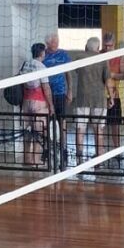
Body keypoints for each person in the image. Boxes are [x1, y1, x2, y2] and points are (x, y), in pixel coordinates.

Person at [74, 36, 110, 165]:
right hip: (99, 99)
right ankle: (99, 153)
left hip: (82, 97)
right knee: (98, 128)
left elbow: (77, 72)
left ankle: (79, 155)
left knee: (80, 127)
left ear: (86, 46)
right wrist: (111, 96)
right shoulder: (102, 59)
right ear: (98, 47)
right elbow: (107, 80)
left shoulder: (79, 57)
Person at [19, 42, 54, 167]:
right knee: (38, 132)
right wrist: (51, 105)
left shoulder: (25, 65)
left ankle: (26, 159)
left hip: (26, 102)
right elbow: (46, 88)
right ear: (42, 53)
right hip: (39, 103)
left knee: (27, 132)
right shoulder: (41, 67)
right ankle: (36, 159)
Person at [43, 32, 73, 166]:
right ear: (48, 44)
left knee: (62, 121)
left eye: (57, 42)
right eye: (54, 42)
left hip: (60, 93)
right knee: (47, 122)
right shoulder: (43, 55)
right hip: (46, 94)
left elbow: (69, 74)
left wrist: (70, 90)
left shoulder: (64, 55)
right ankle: (47, 149)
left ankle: (64, 148)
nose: (56, 44)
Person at [102, 31, 124, 158]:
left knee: (115, 125)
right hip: (101, 95)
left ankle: (117, 149)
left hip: (114, 95)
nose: (107, 48)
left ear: (114, 45)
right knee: (99, 125)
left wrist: (112, 75)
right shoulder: (99, 55)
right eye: (105, 45)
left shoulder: (120, 57)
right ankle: (101, 150)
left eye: (110, 46)